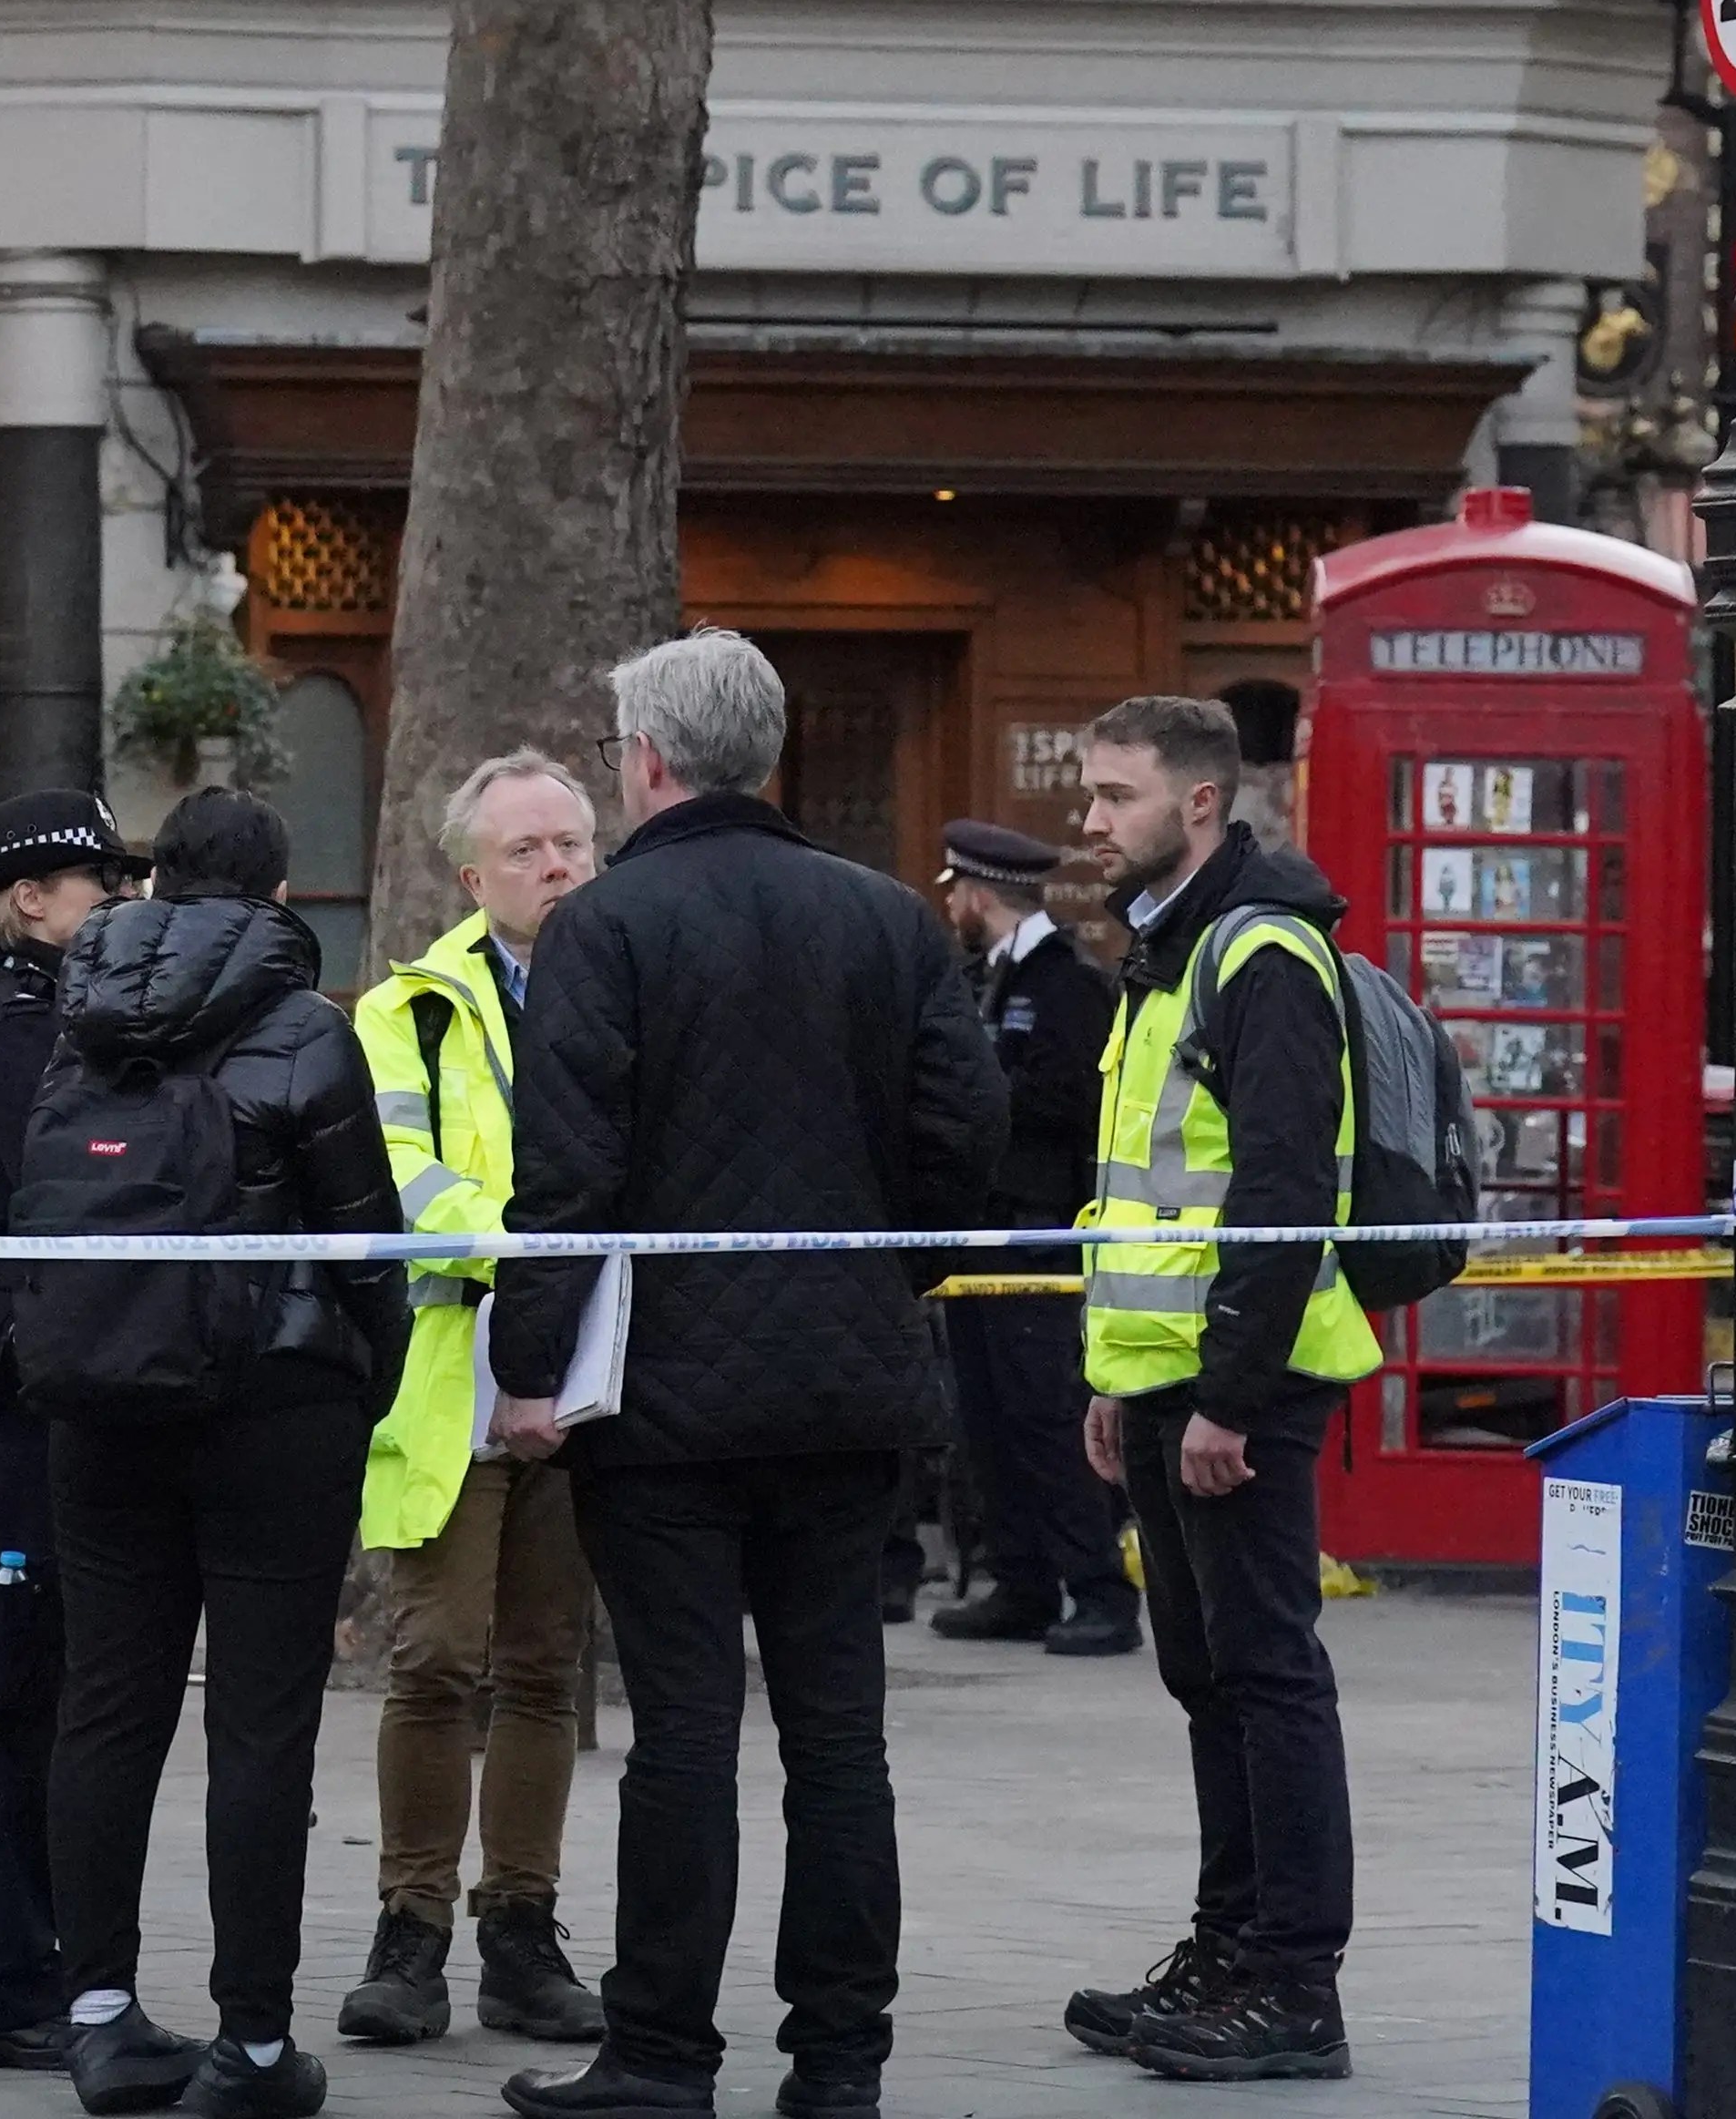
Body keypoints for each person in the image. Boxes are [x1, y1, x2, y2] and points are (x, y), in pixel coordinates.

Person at [485, 630, 1005, 2119]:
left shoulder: (604, 928)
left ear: (648, 760)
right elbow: (966, 1144)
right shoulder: (887, 918)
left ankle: (662, 2054)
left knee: (684, 1738)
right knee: (840, 1743)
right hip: (848, 1394)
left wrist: (528, 1366)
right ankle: (840, 2062)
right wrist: (881, 1285)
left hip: (666, 1403)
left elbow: (567, 1175)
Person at [21, 786, 405, 2119]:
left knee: (105, 1706)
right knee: (260, 1723)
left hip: (99, 1397)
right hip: (274, 1407)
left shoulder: (77, 1018)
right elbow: (367, 1241)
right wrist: (366, 1385)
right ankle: (251, 2045)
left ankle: (99, 2016)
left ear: (154, 884)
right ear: (279, 895)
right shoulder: (306, 1029)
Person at [1054, 693, 1373, 2088]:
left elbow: (1283, 1191)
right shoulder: (1164, 948)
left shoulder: (1262, 953)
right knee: (1206, 1677)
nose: (1090, 819)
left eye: (1115, 794)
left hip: (1246, 1380)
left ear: (1197, 803)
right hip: (1164, 1374)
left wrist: (1232, 1399)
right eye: (1089, 791)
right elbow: (1144, 1197)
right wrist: (1115, 1377)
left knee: (1268, 1673)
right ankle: (1229, 1948)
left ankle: (1296, 1984)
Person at [334, 751, 610, 2052]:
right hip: (457, 1370)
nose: (556, 868)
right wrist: (532, 1251)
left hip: (595, 1370)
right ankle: (411, 1927)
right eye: (526, 852)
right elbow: (399, 1172)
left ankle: (522, 1930)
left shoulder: (632, 983)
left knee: (546, 1664)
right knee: (437, 1656)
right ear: (470, 878)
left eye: (573, 845)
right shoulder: (411, 1011)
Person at [0, 787, 147, 2073]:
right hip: (5, 1383)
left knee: (43, 1682)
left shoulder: (53, 1014)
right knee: (2, 1686)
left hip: (37, 1374)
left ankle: (31, 1963)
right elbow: (65, 1177)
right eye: (101, 881)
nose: (121, 899)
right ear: (31, 899)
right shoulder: (11, 1026)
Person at [923, 818, 1138, 1661]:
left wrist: (982, 1093)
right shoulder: (985, 977)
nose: (951, 911)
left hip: (1038, 1231)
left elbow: (1075, 1102)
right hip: (979, 1231)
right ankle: (1021, 1582)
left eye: (956, 896)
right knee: (986, 1418)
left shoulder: (1066, 983)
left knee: (1047, 1416)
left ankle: (1100, 1590)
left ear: (979, 896)